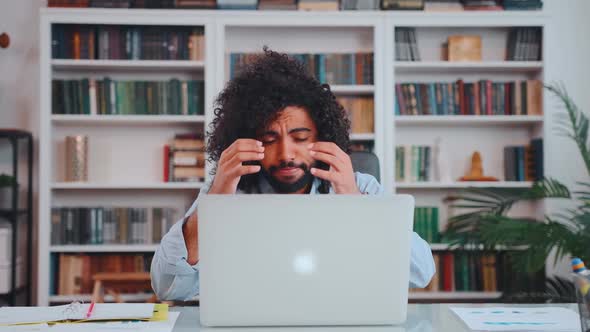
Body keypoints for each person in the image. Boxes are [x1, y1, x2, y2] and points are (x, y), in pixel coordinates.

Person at [151, 48, 435, 300]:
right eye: (270, 139)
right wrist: (215, 201)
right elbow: (167, 287)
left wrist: (355, 201)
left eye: (300, 137)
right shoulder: (227, 192)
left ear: (323, 136)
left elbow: (421, 273)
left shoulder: (360, 186)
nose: (286, 153)